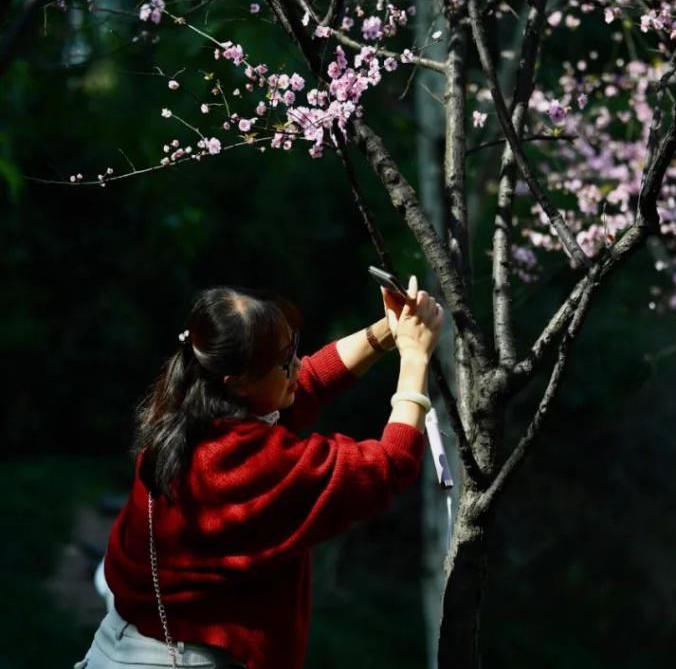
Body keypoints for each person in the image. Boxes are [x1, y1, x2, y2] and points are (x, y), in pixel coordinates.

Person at [74, 277, 444, 669]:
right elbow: (386, 467)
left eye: (294, 349)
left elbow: (307, 382)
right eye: (285, 360)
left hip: (118, 644)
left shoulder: (189, 406)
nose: (297, 364)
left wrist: (388, 330)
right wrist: (415, 358)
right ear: (240, 382)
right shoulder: (241, 465)